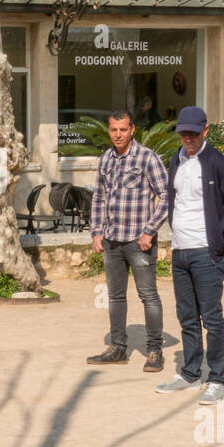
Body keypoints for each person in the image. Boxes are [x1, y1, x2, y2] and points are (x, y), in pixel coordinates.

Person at [156, 106, 224, 403]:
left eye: (194, 133)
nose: (188, 138)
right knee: (186, 317)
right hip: (180, 252)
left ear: (205, 130)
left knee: (211, 317)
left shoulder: (215, 162)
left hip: (206, 253)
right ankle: (190, 373)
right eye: (184, 132)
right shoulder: (176, 160)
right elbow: (175, 201)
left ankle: (217, 378)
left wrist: (223, 241)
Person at [86, 109, 168, 372]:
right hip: (112, 241)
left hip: (139, 242)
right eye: (113, 129)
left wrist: (150, 231)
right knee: (116, 296)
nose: (118, 134)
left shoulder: (147, 158)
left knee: (148, 295)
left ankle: (154, 350)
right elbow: (98, 198)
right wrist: (97, 232)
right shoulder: (106, 160)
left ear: (133, 129)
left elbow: (166, 196)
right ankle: (118, 348)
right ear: (109, 131)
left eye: (123, 129)